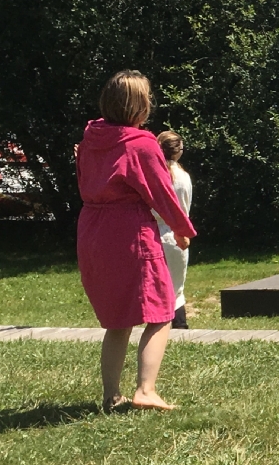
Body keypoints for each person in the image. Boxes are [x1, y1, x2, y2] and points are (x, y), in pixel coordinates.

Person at [76, 70, 196, 411]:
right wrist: (182, 229)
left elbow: (85, 182)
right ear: (141, 105)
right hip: (130, 232)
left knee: (118, 319)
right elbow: (162, 193)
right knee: (160, 312)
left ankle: (111, 395)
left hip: (92, 230)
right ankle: (146, 389)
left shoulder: (90, 139)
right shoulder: (142, 144)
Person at [153, 131, 193, 329]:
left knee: (157, 290)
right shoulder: (184, 177)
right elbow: (186, 208)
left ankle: (159, 332)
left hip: (153, 235)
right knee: (177, 290)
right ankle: (180, 327)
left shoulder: (153, 175)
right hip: (178, 235)